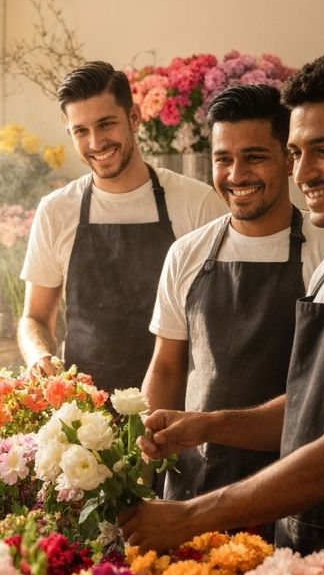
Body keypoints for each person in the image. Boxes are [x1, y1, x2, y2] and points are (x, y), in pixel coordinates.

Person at [124, 52, 324, 569]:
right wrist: (205, 425)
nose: (303, 172)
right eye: (297, 152)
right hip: (312, 547)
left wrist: (187, 518)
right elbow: (308, 410)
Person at [143, 84, 324, 504]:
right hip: (192, 485)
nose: (236, 176)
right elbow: (166, 368)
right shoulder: (186, 253)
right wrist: (141, 467)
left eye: (254, 157)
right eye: (223, 159)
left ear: (289, 159)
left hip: (290, 488)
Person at [19, 61, 225, 394]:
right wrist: (38, 354)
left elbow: (223, 320)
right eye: (81, 131)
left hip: (177, 412)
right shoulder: (56, 211)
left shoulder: (197, 203)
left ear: (134, 118)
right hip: (83, 419)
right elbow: (35, 318)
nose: (96, 142)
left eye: (106, 124)